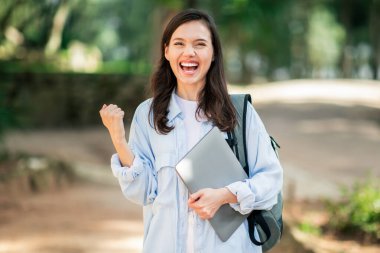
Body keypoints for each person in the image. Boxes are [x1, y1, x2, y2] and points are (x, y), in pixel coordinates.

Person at [99, 9, 283, 253]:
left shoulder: (239, 113)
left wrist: (225, 195)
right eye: (179, 43)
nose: (189, 52)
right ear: (166, 51)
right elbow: (142, 192)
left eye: (200, 44)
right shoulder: (148, 115)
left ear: (214, 53)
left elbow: (271, 180)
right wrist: (119, 141)